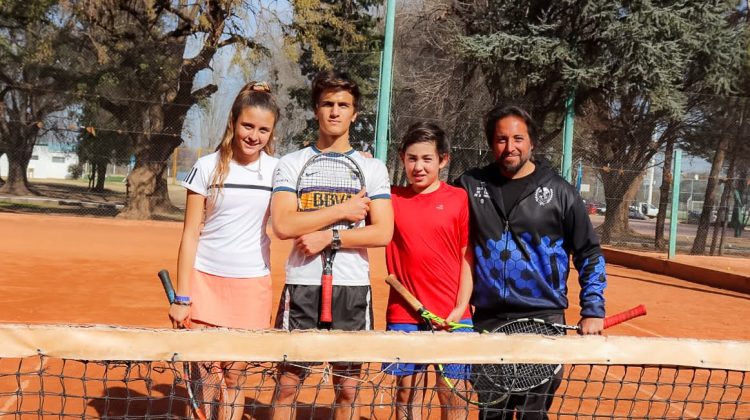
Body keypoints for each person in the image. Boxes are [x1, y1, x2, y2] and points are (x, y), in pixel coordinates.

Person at [454, 105, 607, 420]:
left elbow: (589, 253)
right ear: (491, 143)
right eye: (501, 139)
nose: (510, 147)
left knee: (531, 414)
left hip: (543, 322)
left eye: (518, 138)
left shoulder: (561, 193)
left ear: (532, 142)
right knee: (490, 413)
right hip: (488, 321)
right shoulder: (470, 186)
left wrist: (593, 309)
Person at [269, 70, 394, 420]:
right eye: (327, 104)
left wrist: (331, 236)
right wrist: (343, 210)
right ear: (316, 109)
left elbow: (382, 232)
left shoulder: (372, 169)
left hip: (352, 288)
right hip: (303, 284)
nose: (335, 112)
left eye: (343, 105)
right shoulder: (291, 164)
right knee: (287, 386)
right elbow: (283, 224)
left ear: (355, 113)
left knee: (348, 389)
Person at [169, 81, 280, 420]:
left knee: (233, 376)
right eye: (248, 125)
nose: (254, 136)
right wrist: (182, 297)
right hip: (204, 284)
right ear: (233, 122)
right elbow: (190, 234)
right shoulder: (206, 167)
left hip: (250, 287)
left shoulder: (277, 171)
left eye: (264, 130)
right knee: (201, 377)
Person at [383, 122, 473, 420]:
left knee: (454, 394)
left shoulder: (459, 199)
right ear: (402, 158)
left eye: (427, 159)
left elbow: (466, 258)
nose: (418, 166)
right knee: (407, 394)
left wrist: (460, 308)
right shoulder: (390, 199)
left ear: (443, 160)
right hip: (404, 314)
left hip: (454, 316)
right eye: (412, 159)